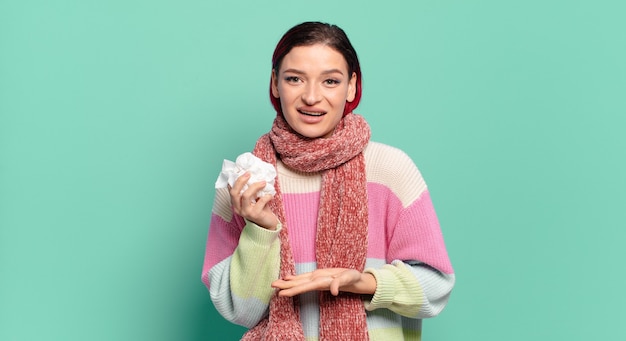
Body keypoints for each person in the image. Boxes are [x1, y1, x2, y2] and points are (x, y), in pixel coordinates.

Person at [202, 21, 455, 340]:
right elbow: (239, 311)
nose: (311, 97)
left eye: (330, 81)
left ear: (351, 87)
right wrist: (261, 231)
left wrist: (363, 283)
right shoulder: (247, 180)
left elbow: (436, 286)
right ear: (275, 84)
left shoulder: (390, 170)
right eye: (295, 79)